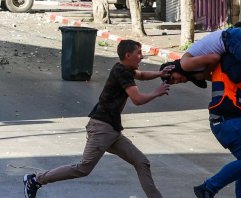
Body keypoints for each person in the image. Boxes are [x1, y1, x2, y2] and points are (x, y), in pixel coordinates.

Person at [23, 40, 172, 198]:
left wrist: (160, 74)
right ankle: (36, 180)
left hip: (111, 130)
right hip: (102, 128)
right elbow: (137, 99)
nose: (141, 57)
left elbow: (141, 75)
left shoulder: (124, 68)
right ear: (128, 55)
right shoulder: (122, 71)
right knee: (83, 168)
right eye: (138, 53)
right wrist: (158, 91)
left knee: (142, 162)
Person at [160, 52, 241, 198]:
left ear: (173, 68)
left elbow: (217, 65)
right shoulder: (192, 68)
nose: (177, 81)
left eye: (173, 78)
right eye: (173, 82)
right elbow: (217, 62)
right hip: (231, 119)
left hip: (233, 118)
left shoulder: (193, 66)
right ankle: (208, 188)